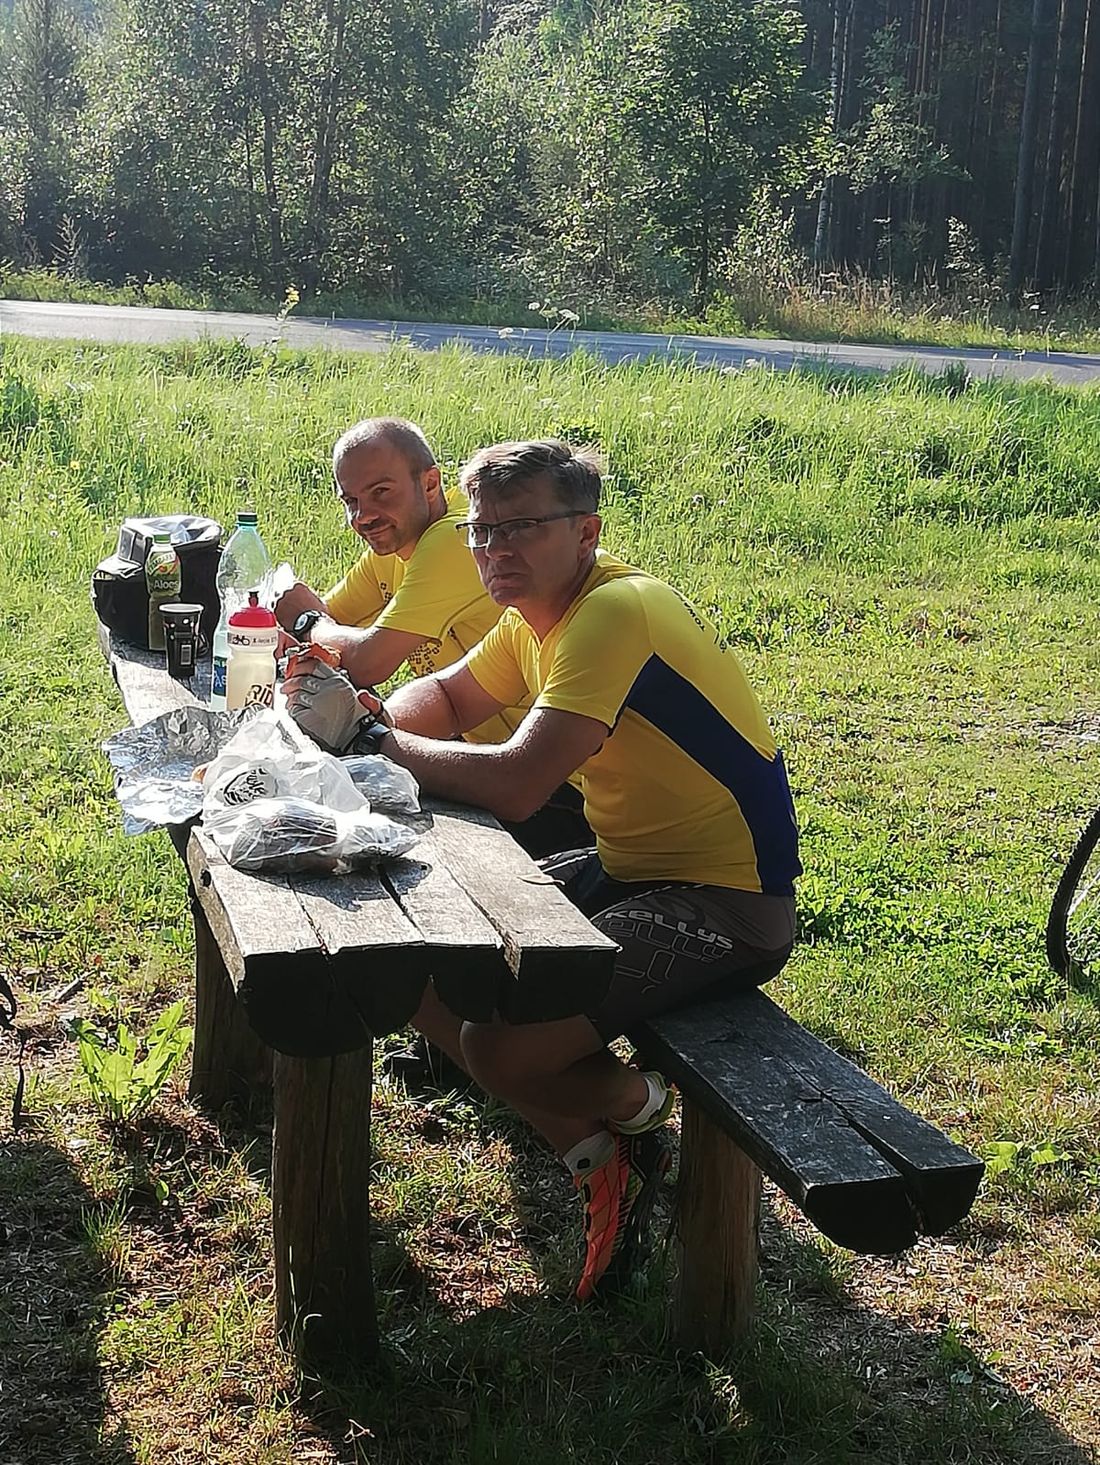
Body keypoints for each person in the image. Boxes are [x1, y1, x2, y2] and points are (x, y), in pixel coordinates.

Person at [284, 439, 800, 1300]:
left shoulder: (614, 613)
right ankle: (600, 1152)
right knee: (418, 960)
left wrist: (371, 740)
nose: (495, 550)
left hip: (728, 903)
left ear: (586, 531)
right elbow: (448, 697)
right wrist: (379, 716)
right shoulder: (534, 615)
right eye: (483, 532)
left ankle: (636, 1106)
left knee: (497, 1047)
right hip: (630, 866)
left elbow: (520, 783)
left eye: (521, 528)